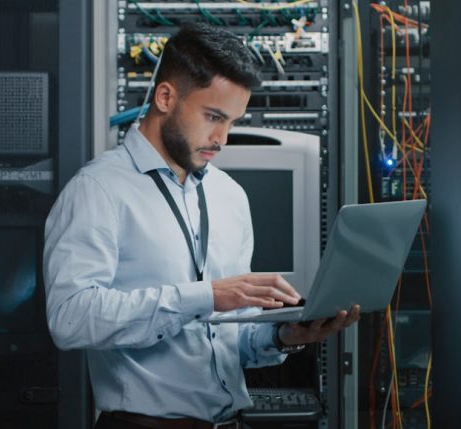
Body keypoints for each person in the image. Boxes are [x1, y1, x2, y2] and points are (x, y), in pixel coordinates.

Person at [43, 23, 360, 429]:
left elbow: (229, 337)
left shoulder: (230, 195)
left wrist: (284, 336)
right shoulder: (97, 190)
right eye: (213, 116)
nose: (222, 138)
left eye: (231, 121)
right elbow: (69, 320)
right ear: (165, 97)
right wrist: (203, 296)